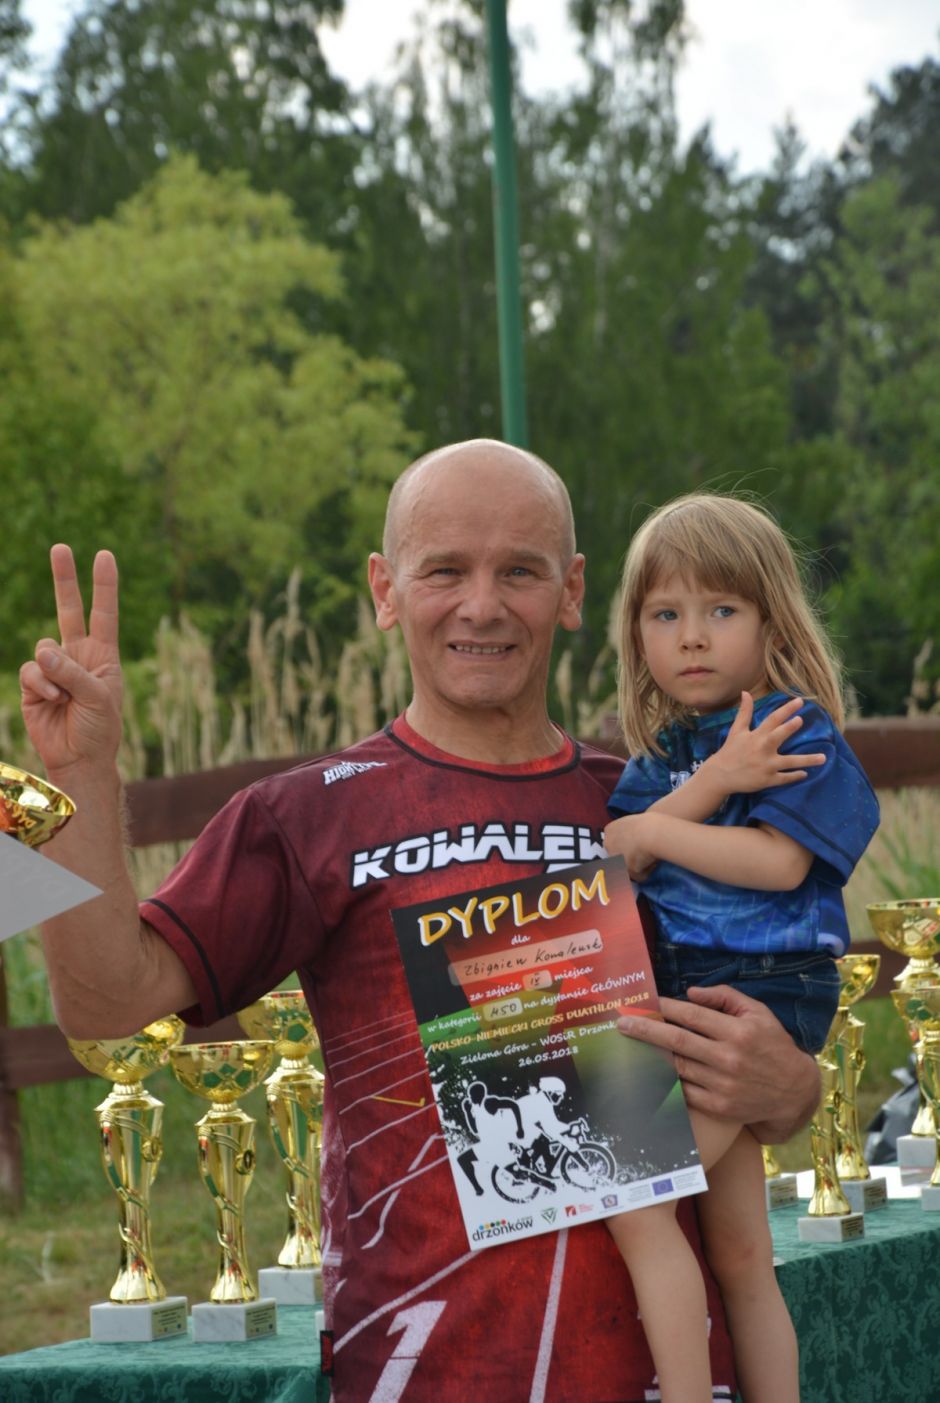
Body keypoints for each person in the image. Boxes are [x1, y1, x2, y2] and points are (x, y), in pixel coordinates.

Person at [22, 441, 822, 1402]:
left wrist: (792, 1084)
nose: (481, 605)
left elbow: (770, 1040)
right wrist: (77, 779)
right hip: (427, 1372)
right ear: (385, 589)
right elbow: (102, 1001)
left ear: (570, 591)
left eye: (519, 571)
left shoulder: (655, 810)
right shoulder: (307, 812)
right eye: (444, 570)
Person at [602, 492, 880, 1403]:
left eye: (721, 610)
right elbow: (618, 852)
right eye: (665, 614)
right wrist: (711, 781)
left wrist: (661, 826)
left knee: (641, 1206)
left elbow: (778, 862)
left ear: (771, 622)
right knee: (740, 1250)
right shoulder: (660, 756)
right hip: (685, 995)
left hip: (764, 990)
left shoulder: (794, 730)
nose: (692, 636)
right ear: (635, 633)